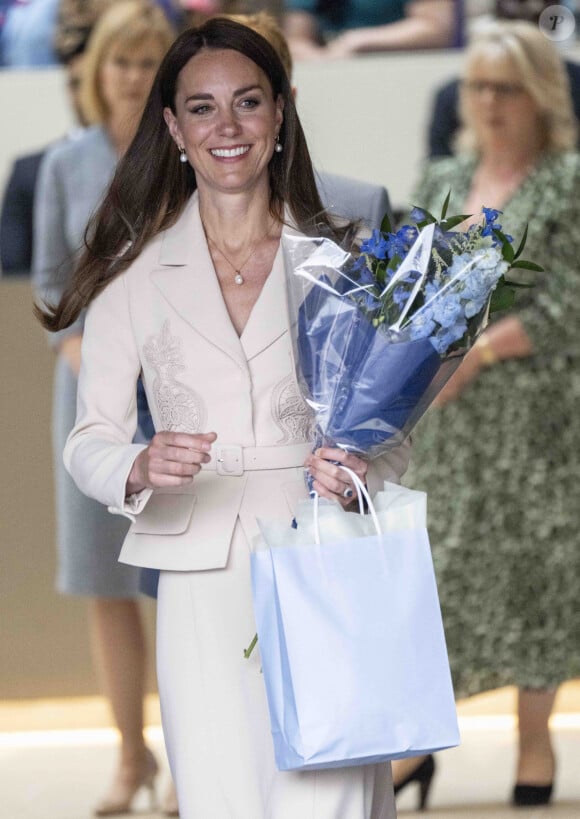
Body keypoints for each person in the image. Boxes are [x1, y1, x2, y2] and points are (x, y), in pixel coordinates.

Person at [36, 17, 410, 819]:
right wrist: (136, 464)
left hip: (325, 562)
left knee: (330, 799)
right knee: (225, 799)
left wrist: (361, 469)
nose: (227, 126)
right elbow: (89, 439)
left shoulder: (340, 256)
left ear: (280, 113)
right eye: (201, 108)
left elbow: (391, 425)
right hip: (199, 579)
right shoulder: (130, 273)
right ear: (172, 126)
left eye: (247, 101)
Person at [395, 20, 580, 809]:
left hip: (538, 417)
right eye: (477, 86)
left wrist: (484, 350)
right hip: (449, 420)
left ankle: (534, 740)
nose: (489, 102)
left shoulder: (568, 181)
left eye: (505, 86)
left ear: (540, 92)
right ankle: (415, 745)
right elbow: (406, 281)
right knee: (438, 575)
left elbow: (571, 301)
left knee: (538, 575)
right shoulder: (443, 173)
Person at [31, 3, 179, 816]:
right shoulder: (66, 163)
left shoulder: (187, 156)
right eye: (120, 61)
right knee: (105, 582)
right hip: (90, 399)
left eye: (149, 60)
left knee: (180, 580)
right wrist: (96, 373)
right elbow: (54, 288)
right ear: (98, 74)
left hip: (179, 395)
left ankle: (196, 751)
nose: (132, 76)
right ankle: (132, 756)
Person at [283, 0, 459, 61]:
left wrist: (358, 42)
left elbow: (437, 28)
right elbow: (295, 39)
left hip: (402, 74)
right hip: (336, 76)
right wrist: (319, 58)